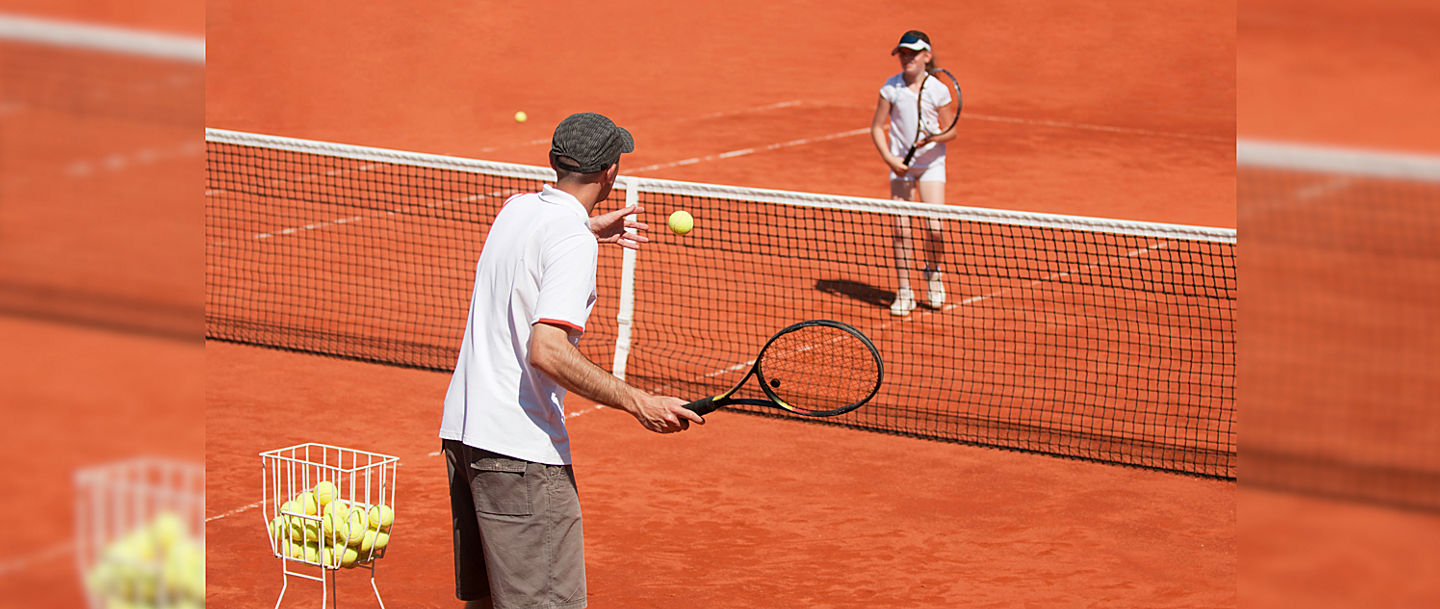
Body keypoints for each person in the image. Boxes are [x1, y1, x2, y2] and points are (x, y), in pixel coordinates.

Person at [439, 112, 705, 609]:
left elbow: (542, 234)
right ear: (610, 172)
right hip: (518, 454)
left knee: (487, 601)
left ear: (555, 161)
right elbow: (547, 349)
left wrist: (586, 227)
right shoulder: (571, 239)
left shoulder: (516, 209)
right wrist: (639, 401)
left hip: (463, 436)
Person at [869, 29, 958, 317]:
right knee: (900, 230)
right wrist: (890, 159)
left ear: (927, 56)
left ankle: (933, 274)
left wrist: (933, 137)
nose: (907, 58)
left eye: (913, 54)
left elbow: (951, 130)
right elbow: (876, 127)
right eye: (903, 53)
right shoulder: (891, 88)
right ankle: (904, 290)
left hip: (931, 165)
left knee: (935, 228)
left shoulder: (938, 90)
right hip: (901, 168)